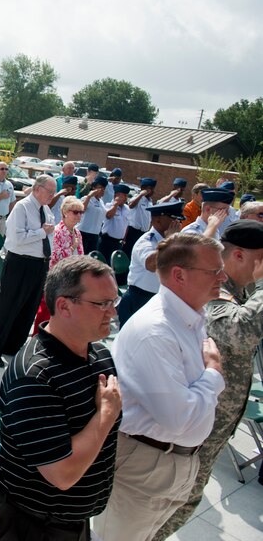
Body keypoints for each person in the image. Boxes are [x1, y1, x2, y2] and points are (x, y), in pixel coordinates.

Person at [93, 233, 226, 541]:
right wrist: (213, 376)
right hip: (147, 463)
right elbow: (177, 417)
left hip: (171, 461)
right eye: (214, 271)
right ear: (179, 274)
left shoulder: (190, 318)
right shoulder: (157, 330)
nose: (223, 276)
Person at [0, 256, 122, 541]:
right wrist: (106, 415)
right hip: (32, 525)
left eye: (114, 302)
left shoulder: (100, 354)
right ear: (64, 305)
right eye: (102, 304)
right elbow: (61, 473)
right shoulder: (35, 375)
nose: (112, 313)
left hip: (72, 521)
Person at [152, 220, 263, 540]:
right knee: (166, 509)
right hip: (188, 432)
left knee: (180, 506)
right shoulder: (212, 292)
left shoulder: (239, 292)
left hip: (208, 430)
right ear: (240, 256)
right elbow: (241, 331)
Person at [0, 175, 56, 367]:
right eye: (50, 191)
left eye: (53, 192)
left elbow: (50, 237)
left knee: (27, 310)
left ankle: (13, 347)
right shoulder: (22, 207)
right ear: (37, 189)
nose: (52, 195)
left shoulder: (47, 210)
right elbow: (17, 239)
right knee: (9, 307)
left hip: (39, 264)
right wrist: (42, 232)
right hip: (20, 263)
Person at [116, 201, 185, 326]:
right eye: (174, 219)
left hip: (158, 299)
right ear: (158, 220)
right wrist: (170, 241)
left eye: (179, 220)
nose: (178, 224)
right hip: (139, 299)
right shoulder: (147, 241)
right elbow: (151, 265)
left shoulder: (172, 242)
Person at [32, 195, 86, 334]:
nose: (78, 215)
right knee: (46, 310)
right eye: (75, 212)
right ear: (65, 212)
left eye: (81, 212)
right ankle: (38, 337)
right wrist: (71, 248)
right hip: (57, 277)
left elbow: (81, 255)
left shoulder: (77, 233)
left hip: (72, 278)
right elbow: (54, 256)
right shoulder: (58, 231)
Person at [97, 183, 130, 265]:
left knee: (113, 266)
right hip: (107, 241)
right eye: (123, 196)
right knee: (101, 264)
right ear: (116, 196)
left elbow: (126, 225)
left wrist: (124, 239)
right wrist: (115, 204)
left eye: (126, 196)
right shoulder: (109, 205)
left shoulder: (127, 209)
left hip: (118, 242)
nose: (126, 198)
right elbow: (108, 216)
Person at [124, 177, 156, 256]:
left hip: (143, 232)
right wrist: (141, 194)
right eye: (150, 189)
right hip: (133, 232)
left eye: (152, 189)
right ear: (143, 188)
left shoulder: (150, 201)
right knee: (128, 252)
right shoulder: (138, 197)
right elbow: (130, 205)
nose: (152, 191)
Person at [76, 175, 108, 254]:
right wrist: (89, 196)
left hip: (95, 234)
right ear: (94, 188)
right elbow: (82, 209)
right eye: (100, 187)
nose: (102, 190)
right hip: (84, 232)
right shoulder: (86, 198)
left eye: (104, 188)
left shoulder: (101, 202)